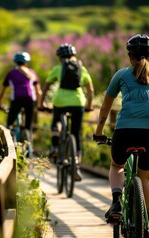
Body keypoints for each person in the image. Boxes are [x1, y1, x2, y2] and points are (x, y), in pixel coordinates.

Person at [93, 34, 149, 238]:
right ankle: (144, 224)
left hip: (125, 132)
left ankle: (116, 201)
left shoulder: (121, 75)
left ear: (130, 55)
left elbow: (105, 106)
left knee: (116, 165)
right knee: (145, 177)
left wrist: (99, 132)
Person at [38, 43, 94, 181]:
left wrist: (41, 103)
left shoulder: (58, 68)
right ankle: (76, 165)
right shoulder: (82, 68)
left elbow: (46, 87)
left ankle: (56, 142)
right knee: (76, 133)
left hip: (60, 101)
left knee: (57, 120)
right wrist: (89, 105)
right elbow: (90, 89)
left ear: (59, 57)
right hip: (78, 102)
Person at [0, 51, 42, 147]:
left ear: (15, 62)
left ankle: (6, 145)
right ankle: (28, 146)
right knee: (28, 126)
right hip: (30, 100)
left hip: (16, 100)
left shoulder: (11, 73)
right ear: (27, 62)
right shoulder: (32, 73)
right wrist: (40, 104)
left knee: (9, 124)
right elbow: (38, 91)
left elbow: (3, 90)